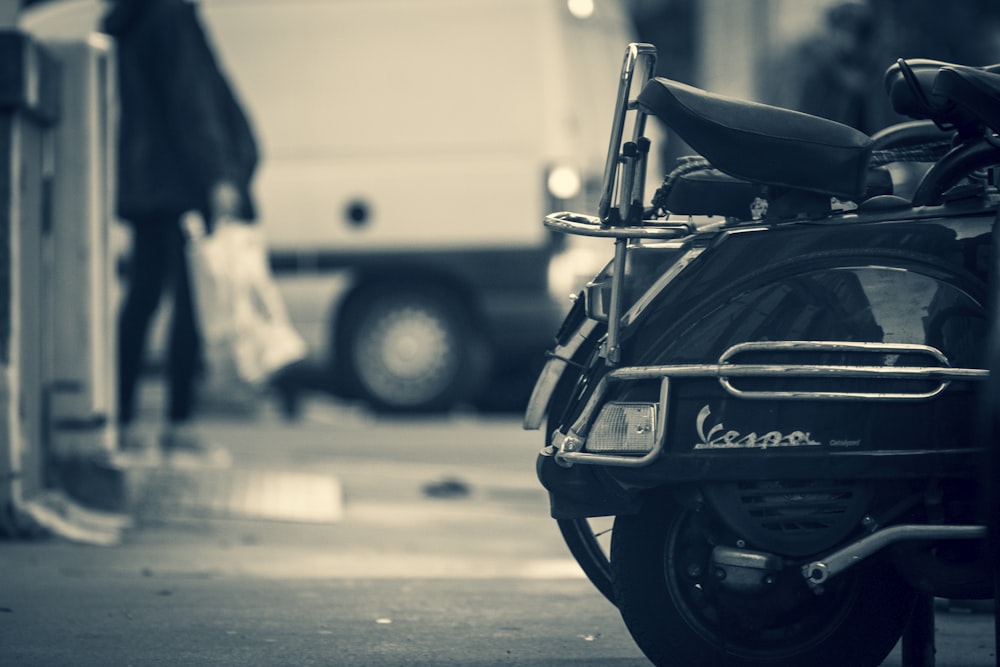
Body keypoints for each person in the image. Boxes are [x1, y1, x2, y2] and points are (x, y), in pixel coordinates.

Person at [102, 0, 258, 460]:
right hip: (181, 180)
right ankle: (178, 423)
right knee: (191, 302)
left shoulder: (133, 17)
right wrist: (218, 177)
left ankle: (124, 417)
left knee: (144, 297)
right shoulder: (170, 15)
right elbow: (193, 101)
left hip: (147, 180)